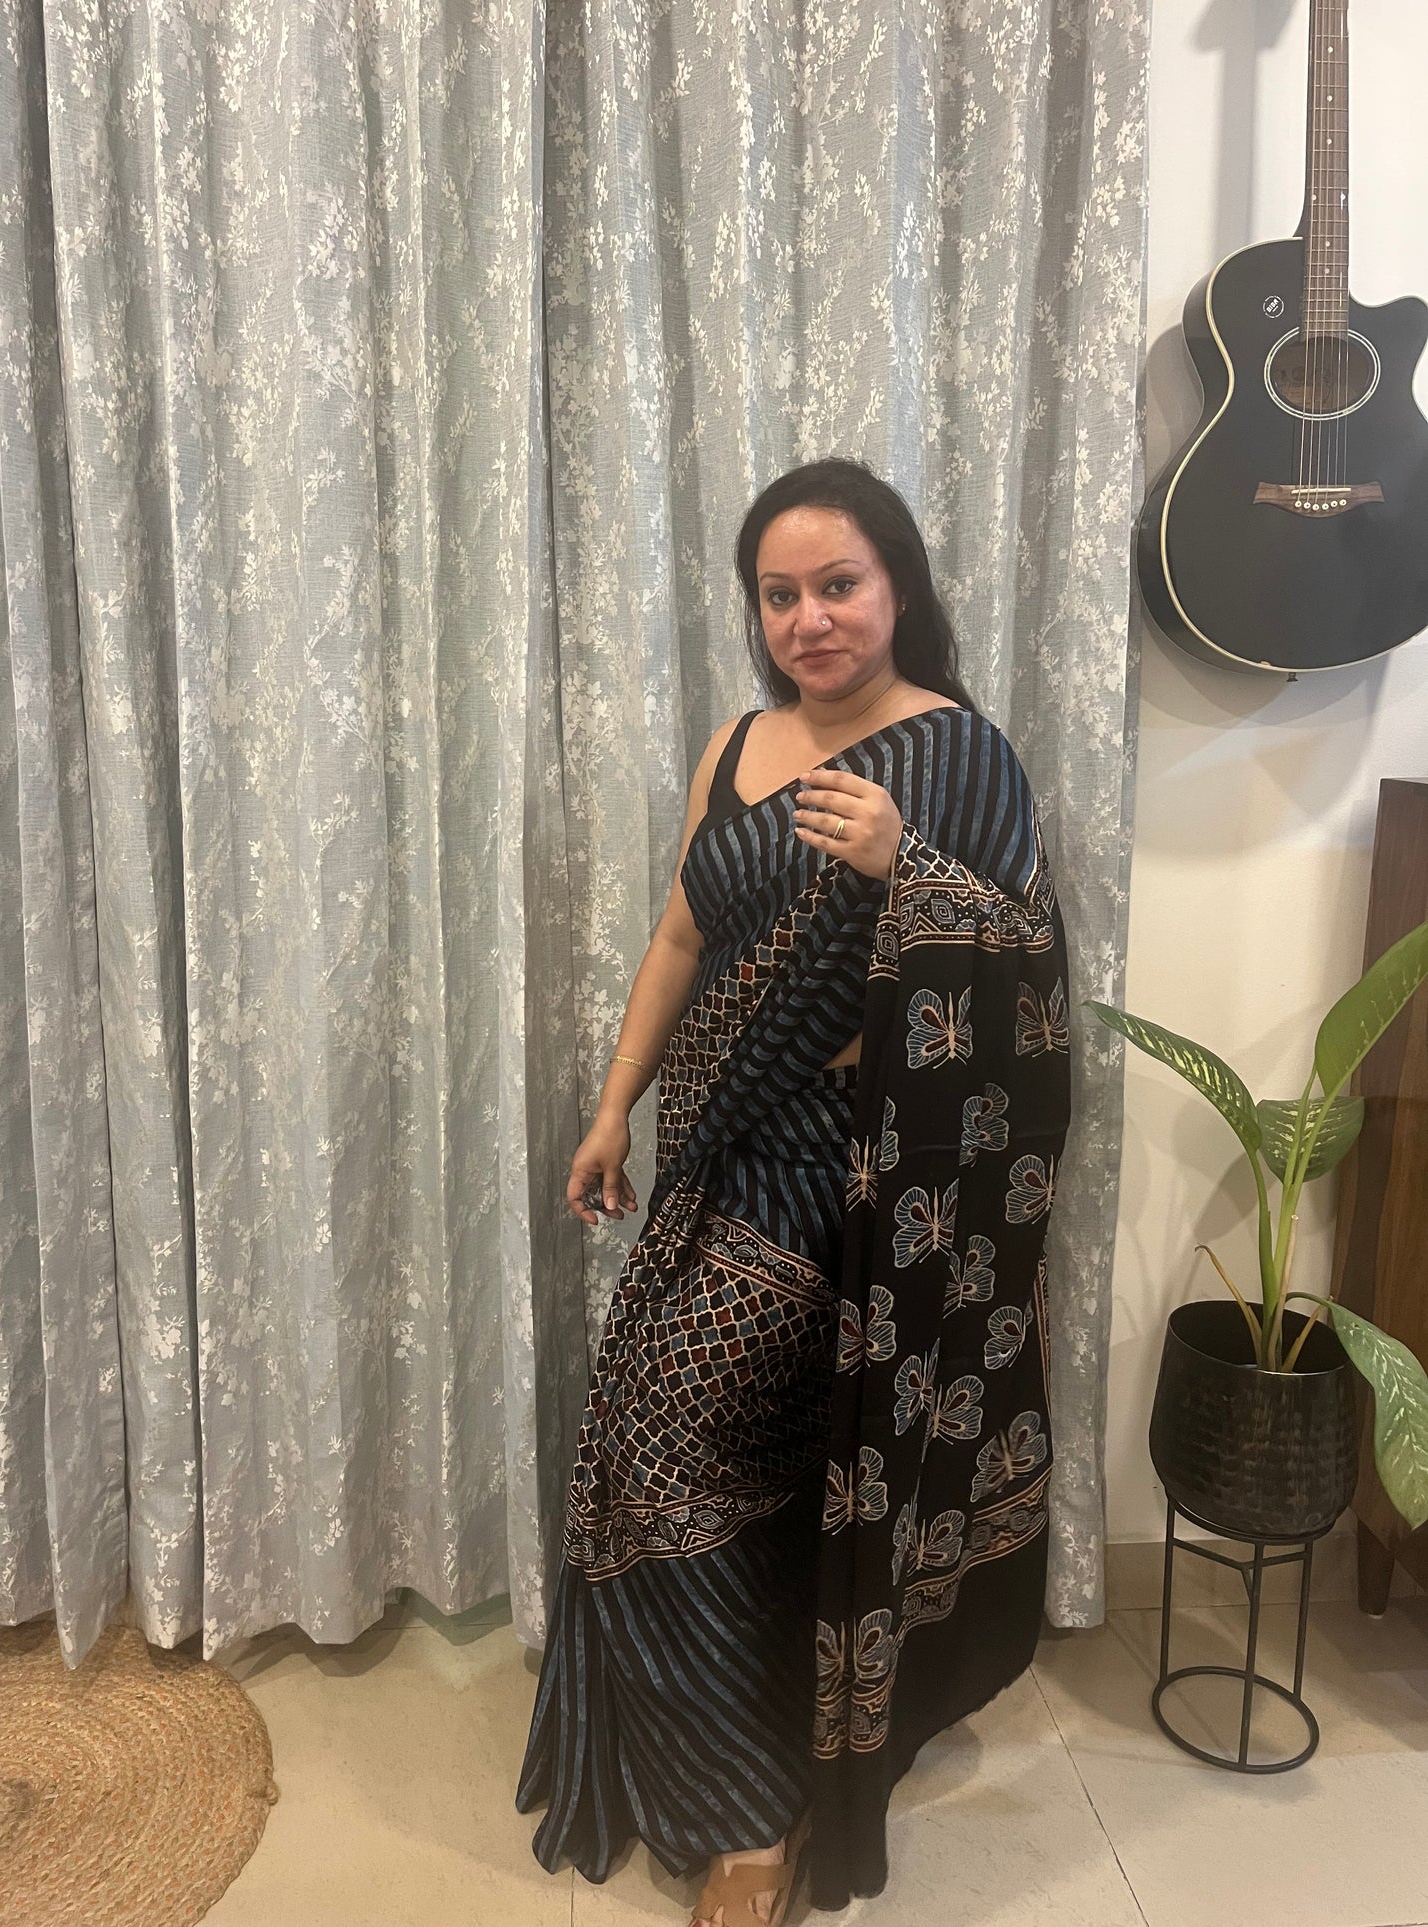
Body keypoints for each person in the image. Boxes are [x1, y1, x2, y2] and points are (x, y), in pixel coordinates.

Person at [516, 457, 1072, 1924]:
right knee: (692, 1463)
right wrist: (613, 1108)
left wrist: (907, 869)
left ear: (899, 591)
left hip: (859, 1180)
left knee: (670, 1448)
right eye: (780, 595)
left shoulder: (960, 755)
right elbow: (681, 940)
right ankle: (748, 1758)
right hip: (719, 1148)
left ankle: (757, 1819)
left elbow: (1025, 973)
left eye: (839, 586)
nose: (809, 619)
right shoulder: (737, 746)